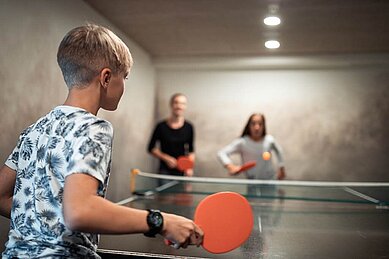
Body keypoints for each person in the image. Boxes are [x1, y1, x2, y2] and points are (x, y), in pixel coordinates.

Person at [0, 24, 203, 258]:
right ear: (106, 77)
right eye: (124, 77)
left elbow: (2, 196)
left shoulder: (34, 129)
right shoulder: (94, 128)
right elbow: (80, 211)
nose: (124, 86)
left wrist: (48, 220)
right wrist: (161, 221)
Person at [217, 113, 286, 180]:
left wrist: (281, 167)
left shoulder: (269, 140)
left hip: (270, 181)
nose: (257, 127)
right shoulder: (242, 142)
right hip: (252, 182)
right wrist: (230, 166)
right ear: (249, 126)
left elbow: (279, 151)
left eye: (260, 124)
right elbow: (221, 153)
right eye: (253, 124)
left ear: (264, 126)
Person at [147, 93, 195, 184]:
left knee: (180, 197)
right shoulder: (161, 126)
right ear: (171, 105)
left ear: (185, 106)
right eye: (176, 103)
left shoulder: (189, 127)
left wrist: (189, 167)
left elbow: (191, 151)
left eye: (182, 103)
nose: (179, 106)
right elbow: (151, 148)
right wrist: (167, 158)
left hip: (181, 172)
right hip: (164, 172)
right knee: (164, 197)